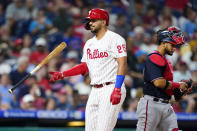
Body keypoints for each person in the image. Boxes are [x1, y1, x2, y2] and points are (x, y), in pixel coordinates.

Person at [49, 8, 127, 131]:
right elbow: (84, 67)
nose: (90, 23)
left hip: (111, 87)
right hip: (94, 90)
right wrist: (63, 74)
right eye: (90, 20)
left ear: (103, 22)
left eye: (94, 20)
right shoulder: (89, 43)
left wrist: (117, 88)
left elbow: (122, 63)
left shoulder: (115, 39)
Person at [136, 26, 190, 131]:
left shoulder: (166, 60)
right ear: (164, 43)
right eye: (172, 45)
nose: (175, 48)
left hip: (166, 104)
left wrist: (177, 93)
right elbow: (159, 83)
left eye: (176, 46)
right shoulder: (154, 57)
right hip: (152, 105)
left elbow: (165, 86)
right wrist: (178, 85)